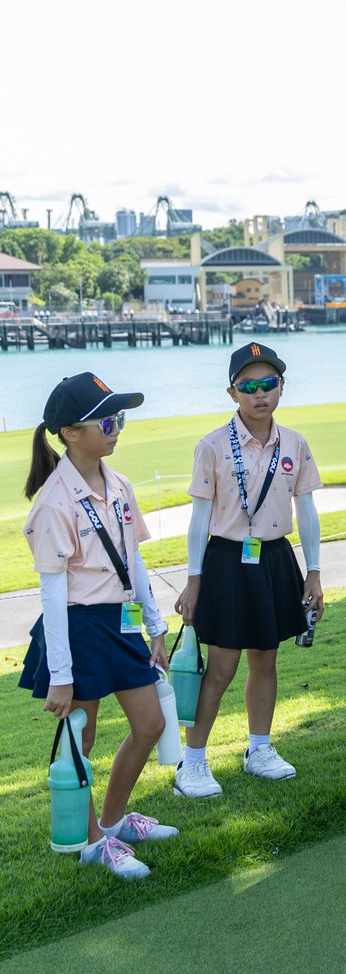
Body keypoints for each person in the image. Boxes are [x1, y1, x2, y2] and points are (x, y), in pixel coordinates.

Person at [19, 372, 177, 879]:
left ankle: (110, 824)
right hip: (78, 627)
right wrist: (60, 675)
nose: (117, 428)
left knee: (150, 724)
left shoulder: (121, 485)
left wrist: (154, 625)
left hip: (122, 622)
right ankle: (90, 844)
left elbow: (133, 562)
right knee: (79, 741)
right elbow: (53, 593)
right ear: (69, 432)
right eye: (107, 419)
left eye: (120, 417)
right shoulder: (53, 501)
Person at [172, 342, 324, 798]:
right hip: (225, 560)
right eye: (249, 386)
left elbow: (308, 510)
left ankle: (259, 749)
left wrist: (313, 571)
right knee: (220, 666)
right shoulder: (213, 447)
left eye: (269, 383)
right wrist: (194, 578)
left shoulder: (294, 443)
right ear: (232, 392)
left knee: (266, 658)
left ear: (281, 387)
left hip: (276, 558)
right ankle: (192, 762)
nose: (260, 393)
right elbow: (199, 519)